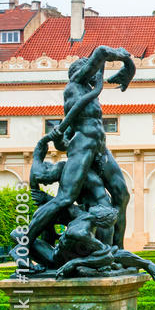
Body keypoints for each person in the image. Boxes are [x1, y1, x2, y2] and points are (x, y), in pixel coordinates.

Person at [25, 47, 134, 252]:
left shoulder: (91, 94)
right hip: (83, 146)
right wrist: (122, 56)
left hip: (100, 148)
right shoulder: (75, 86)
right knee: (64, 198)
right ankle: (25, 241)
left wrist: (128, 68)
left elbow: (64, 140)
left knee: (122, 195)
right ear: (81, 72)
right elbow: (101, 52)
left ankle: (117, 249)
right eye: (91, 70)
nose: (95, 74)